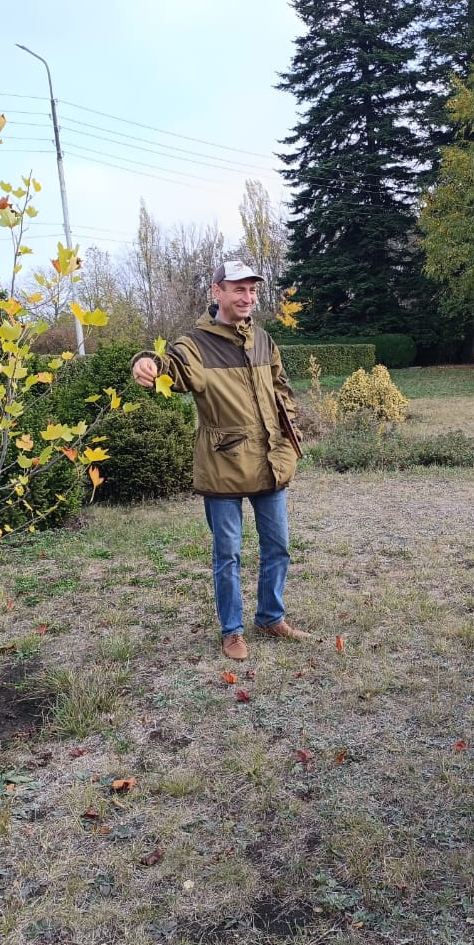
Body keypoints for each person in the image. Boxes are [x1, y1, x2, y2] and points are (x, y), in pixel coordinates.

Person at [131, 260, 305, 661]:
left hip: (270, 462)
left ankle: (270, 617)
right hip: (223, 466)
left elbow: (281, 388)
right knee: (228, 554)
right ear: (217, 292)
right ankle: (232, 630)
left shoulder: (262, 339)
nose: (247, 297)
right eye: (238, 289)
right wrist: (147, 362)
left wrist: (289, 426)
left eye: (252, 290)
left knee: (278, 547)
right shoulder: (195, 344)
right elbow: (170, 370)